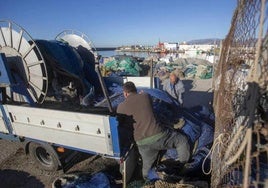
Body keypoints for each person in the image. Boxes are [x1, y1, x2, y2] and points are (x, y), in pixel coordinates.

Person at [116, 81, 191, 180]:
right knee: (182, 140)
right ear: (135, 90)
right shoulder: (145, 96)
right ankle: (183, 166)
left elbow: (121, 124)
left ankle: (147, 181)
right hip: (160, 135)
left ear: (125, 93)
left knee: (146, 167)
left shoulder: (120, 107)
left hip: (142, 143)